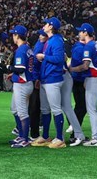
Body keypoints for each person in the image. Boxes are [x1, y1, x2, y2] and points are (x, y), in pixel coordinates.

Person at [34, 16, 68, 149]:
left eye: (46, 24)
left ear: (51, 26)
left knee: (55, 109)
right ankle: (46, 135)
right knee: (45, 109)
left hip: (53, 78)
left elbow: (59, 58)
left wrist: (44, 57)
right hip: (46, 78)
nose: (44, 25)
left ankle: (60, 138)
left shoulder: (56, 40)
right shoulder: (51, 40)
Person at [71, 23, 97, 147]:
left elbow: (85, 66)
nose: (79, 33)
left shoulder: (88, 46)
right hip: (96, 77)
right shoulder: (95, 44)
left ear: (85, 33)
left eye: (81, 31)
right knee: (93, 109)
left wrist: (71, 69)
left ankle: (96, 138)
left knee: (91, 109)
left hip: (93, 78)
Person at [8, 25, 34, 148]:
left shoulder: (21, 49)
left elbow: (21, 68)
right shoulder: (27, 48)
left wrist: (8, 67)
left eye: (14, 34)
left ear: (17, 36)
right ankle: (21, 135)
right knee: (14, 109)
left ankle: (24, 139)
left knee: (22, 112)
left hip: (22, 84)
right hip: (25, 82)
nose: (13, 36)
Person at [28, 29, 46, 141]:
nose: (40, 36)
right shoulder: (40, 45)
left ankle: (35, 132)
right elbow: (35, 64)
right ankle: (34, 132)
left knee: (36, 106)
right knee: (35, 106)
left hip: (39, 78)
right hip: (37, 78)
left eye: (42, 34)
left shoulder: (45, 44)